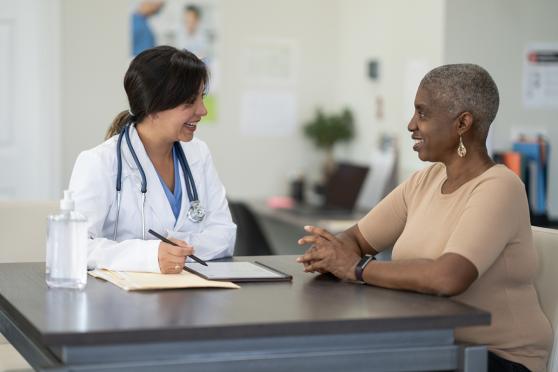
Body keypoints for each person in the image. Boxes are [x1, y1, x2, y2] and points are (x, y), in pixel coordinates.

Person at [297, 64, 552, 372]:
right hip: (433, 344)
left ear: (462, 123)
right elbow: (356, 239)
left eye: (422, 114)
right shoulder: (426, 180)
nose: (411, 125)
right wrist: (333, 251)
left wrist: (357, 267)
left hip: (494, 357)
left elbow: (448, 278)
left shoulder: (500, 188)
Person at [69, 46, 236, 274]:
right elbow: (75, 247)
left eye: (201, 98)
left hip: (191, 293)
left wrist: (177, 251)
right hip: (121, 301)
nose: (202, 110)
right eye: (189, 102)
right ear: (153, 106)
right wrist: (149, 255)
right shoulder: (99, 162)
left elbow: (224, 233)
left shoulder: (199, 153)